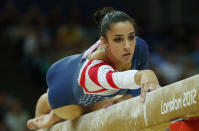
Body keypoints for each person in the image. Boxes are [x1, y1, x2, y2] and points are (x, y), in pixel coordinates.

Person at [27, 7, 161, 130]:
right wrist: (142, 75)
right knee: (82, 111)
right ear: (104, 42)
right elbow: (124, 79)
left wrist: (126, 98)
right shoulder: (94, 71)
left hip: (76, 72)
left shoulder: (139, 45)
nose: (127, 46)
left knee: (110, 101)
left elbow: (137, 87)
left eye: (131, 37)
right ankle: (52, 114)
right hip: (63, 94)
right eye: (118, 40)